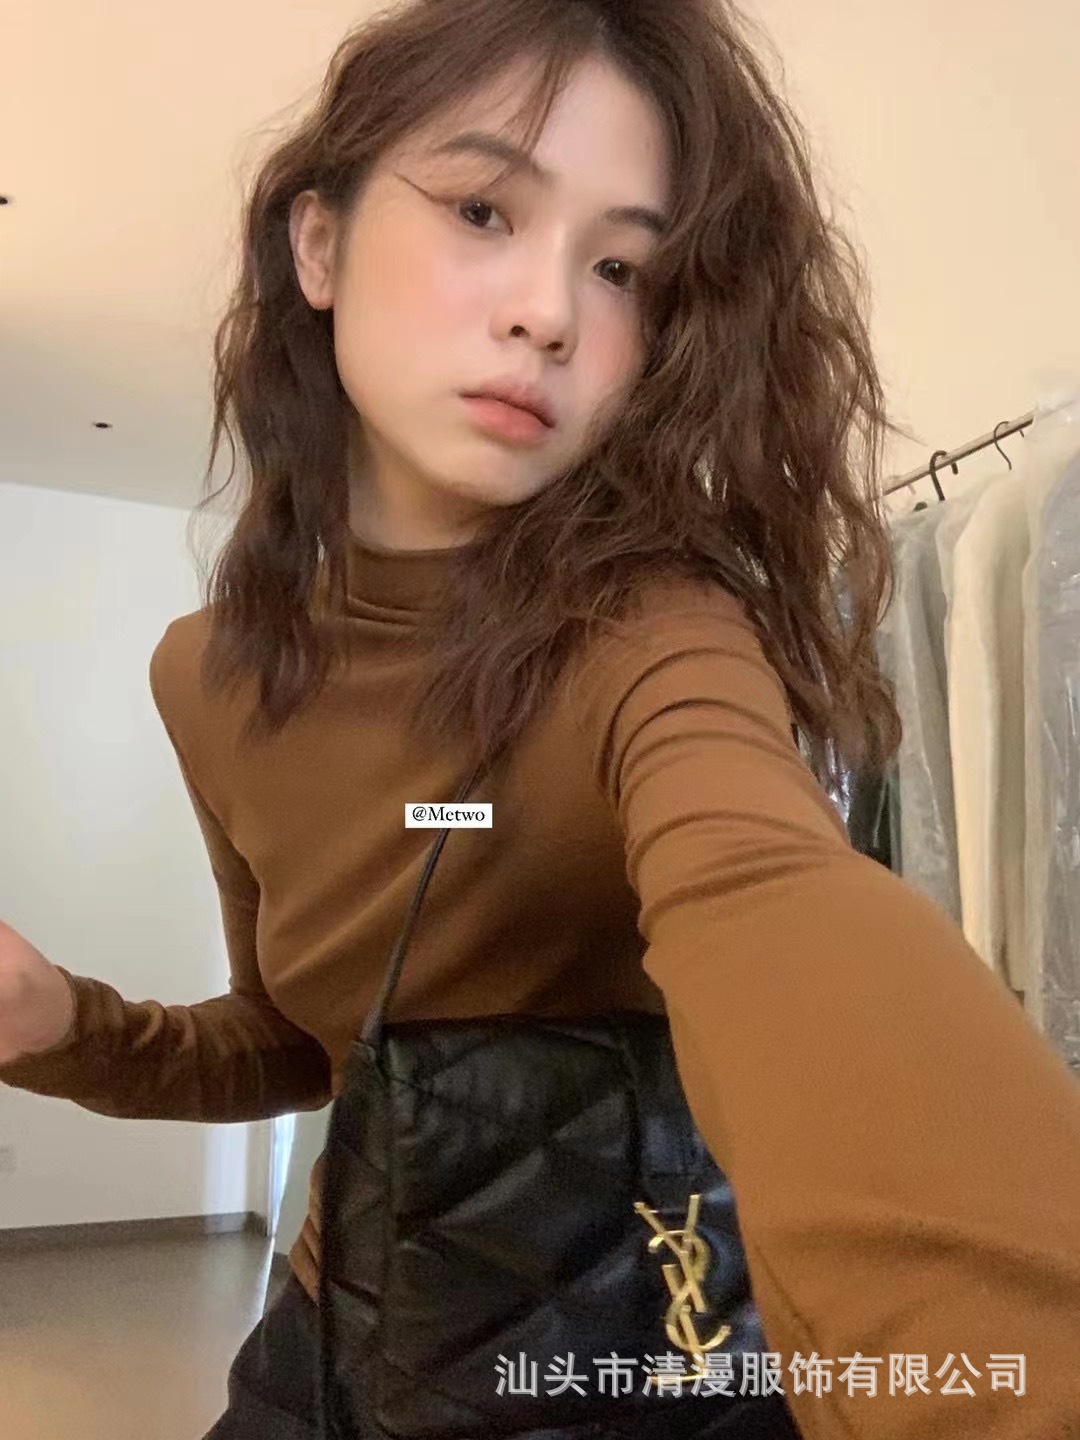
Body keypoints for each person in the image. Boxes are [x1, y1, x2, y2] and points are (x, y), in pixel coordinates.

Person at [2, 0, 1079, 1436]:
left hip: (629, 1368)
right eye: (483, 210)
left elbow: (774, 896)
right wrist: (59, 1024)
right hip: (334, 1349)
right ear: (318, 243)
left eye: (622, 265)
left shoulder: (660, 633)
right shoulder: (207, 674)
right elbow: (302, 1045)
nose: (551, 311)